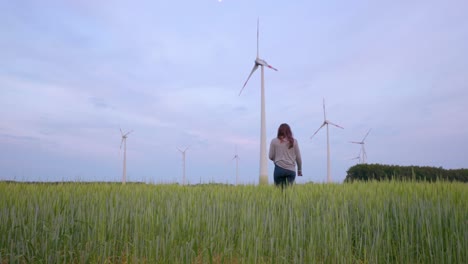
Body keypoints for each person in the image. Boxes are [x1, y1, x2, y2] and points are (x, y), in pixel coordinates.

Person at [269, 123, 302, 188]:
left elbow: (270, 156)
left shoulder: (274, 141)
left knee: (279, 192)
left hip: (279, 169)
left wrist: (277, 158)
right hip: (291, 170)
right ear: (289, 131)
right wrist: (299, 170)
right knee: (288, 192)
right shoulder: (294, 142)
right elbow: (298, 157)